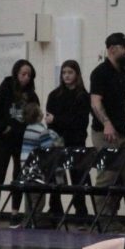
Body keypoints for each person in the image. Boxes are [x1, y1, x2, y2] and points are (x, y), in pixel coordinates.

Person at [0, 58, 37, 227]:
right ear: (16, 74)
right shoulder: (4, 89)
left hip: (22, 141)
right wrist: (2, 127)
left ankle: (14, 214)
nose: (26, 78)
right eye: (23, 74)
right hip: (4, 140)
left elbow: (35, 116)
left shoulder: (31, 94)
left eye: (29, 75)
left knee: (18, 177)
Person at [89, 33, 125, 194]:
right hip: (105, 132)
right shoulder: (100, 73)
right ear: (112, 49)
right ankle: (103, 217)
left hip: (122, 130)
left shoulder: (122, 72)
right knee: (107, 176)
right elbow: (95, 102)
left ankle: (113, 213)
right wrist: (107, 124)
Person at [45, 59, 91, 219]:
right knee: (55, 177)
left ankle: (81, 214)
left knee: (78, 179)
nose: (66, 76)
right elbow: (50, 122)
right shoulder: (54, 95)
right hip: (57, 142)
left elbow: (79, 122)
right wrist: (58, 122)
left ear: (77, 74)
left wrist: (58, 120)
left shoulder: (84, 96)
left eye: (70, 72)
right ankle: (55, 211)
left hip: (76, 142)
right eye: (64, 72)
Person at [15, 99, 62, 228]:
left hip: (26, 167)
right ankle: (36, 221)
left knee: (29, 197)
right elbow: (47, 149)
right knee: (38, 198)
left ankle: (27, 221)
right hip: (38, 170)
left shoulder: (27, 129)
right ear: (39, 115)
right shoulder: (42, 131)